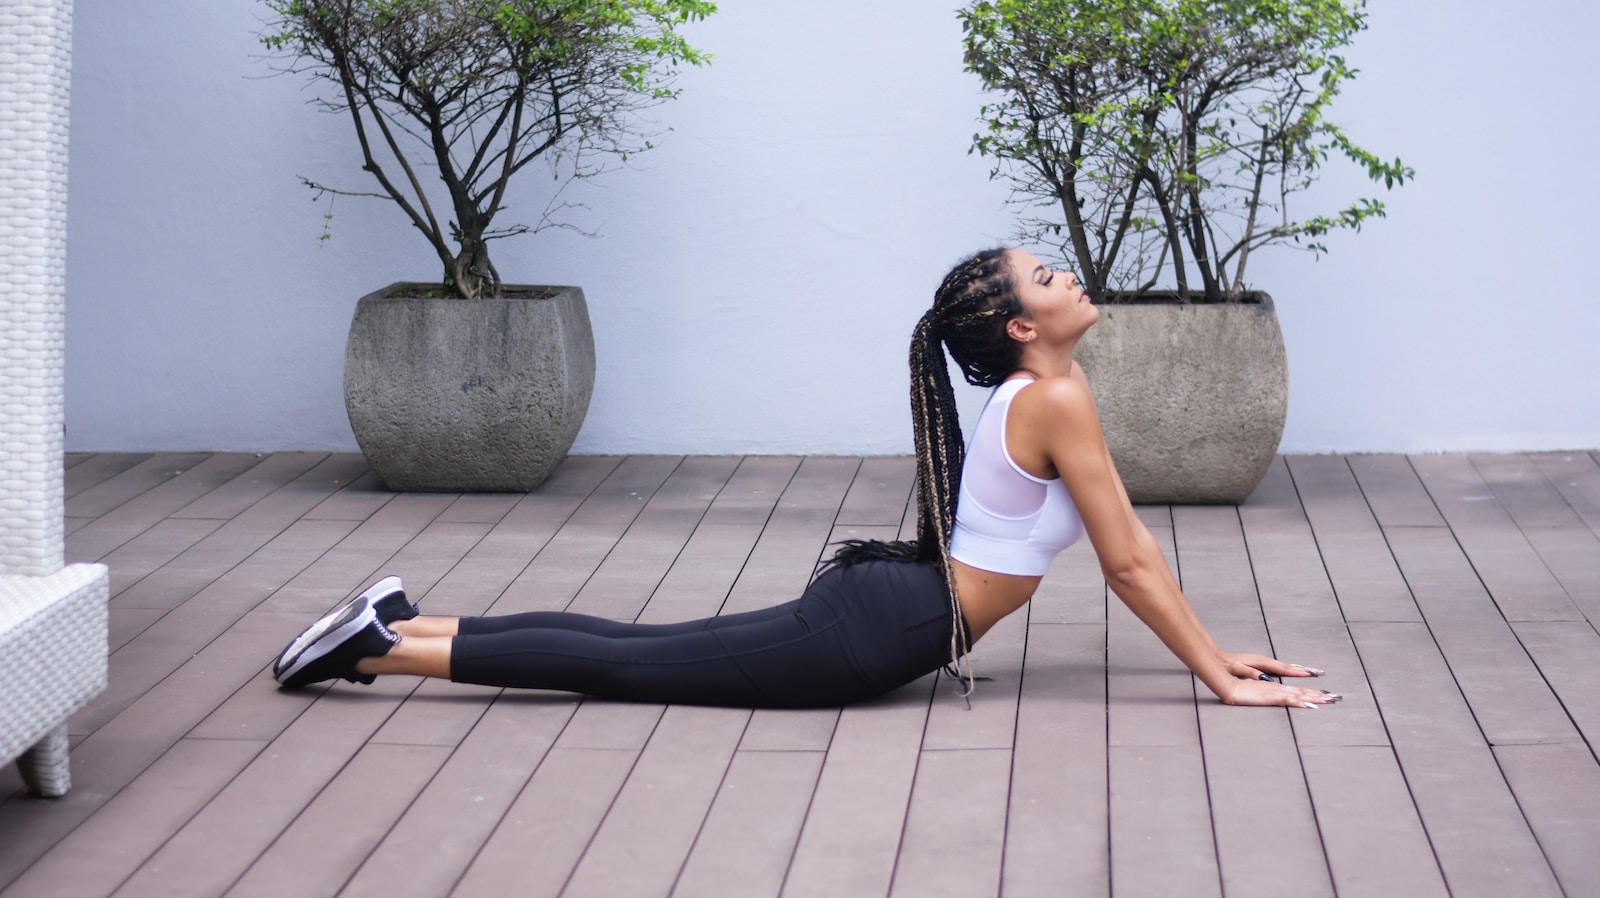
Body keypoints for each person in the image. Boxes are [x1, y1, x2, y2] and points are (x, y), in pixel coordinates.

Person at [273, 248, 1340, 711]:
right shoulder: (1054, 397)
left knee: (637, 653)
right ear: (1022, 325)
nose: (1068, 274)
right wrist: (1215, 673)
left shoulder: (1046, 392)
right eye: (1048, 274)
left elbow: (1132, 560)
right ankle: (379, 652)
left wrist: (1215, 655)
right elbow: (1129, 560)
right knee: (632, 663)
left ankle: (397, 627)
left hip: (896, 617)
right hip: (877, 632)